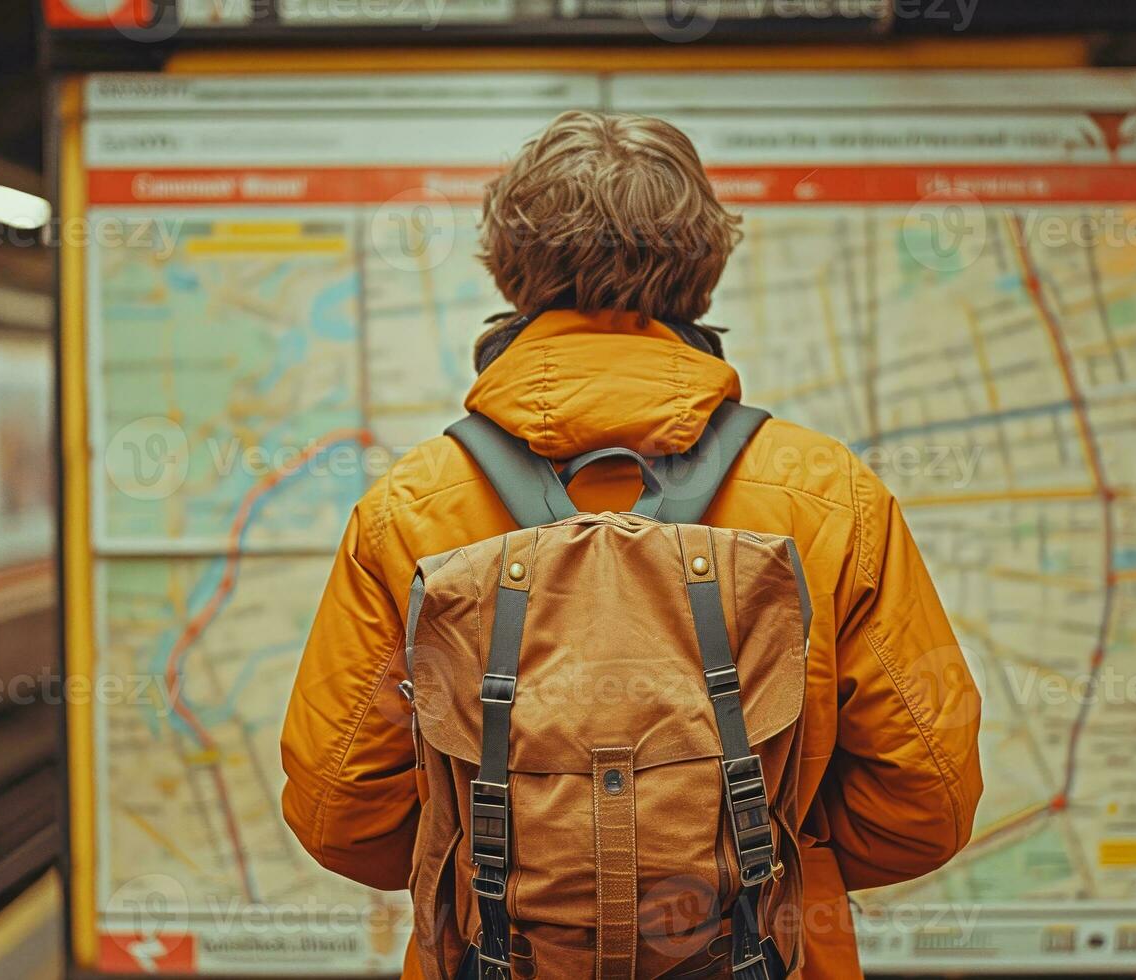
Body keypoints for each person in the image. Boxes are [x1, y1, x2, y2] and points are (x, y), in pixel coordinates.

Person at [280, 110, 984, 979]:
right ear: (701, 270)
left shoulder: (411, 507)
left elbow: (340, 812)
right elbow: (925, 805)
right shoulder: (826, 494)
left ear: (511, 269)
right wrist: (760, 843)